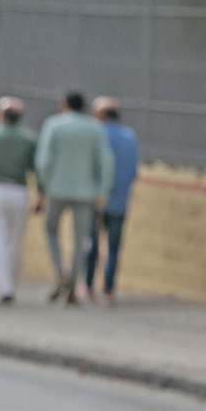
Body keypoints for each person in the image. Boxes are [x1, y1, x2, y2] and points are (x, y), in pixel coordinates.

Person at [34, 91, 113, 304]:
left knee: (51, 230)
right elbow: (106, 162)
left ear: (64, 105)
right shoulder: (94, 128)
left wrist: (44, 186)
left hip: (57, 189)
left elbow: (43, 161)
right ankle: (73, 283)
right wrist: (102, 191)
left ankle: (61, 273)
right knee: (81, 239)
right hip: (86, 192)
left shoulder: (54, 125)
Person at [0, 96, 38, 305]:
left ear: (1, 115)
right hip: (19, 190)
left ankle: (4, 288)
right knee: (15, 242)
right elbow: (36, 168)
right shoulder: (29, 140)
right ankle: (11, 283)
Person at [83, 96, 139, 304]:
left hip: (94, 198)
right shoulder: (130, 137)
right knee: (114, 247)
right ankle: (109, 288)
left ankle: (88, 285)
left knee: (90, 244)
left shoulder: (95, 134)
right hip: (120, 200)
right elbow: (133, 171)